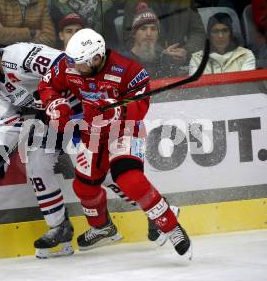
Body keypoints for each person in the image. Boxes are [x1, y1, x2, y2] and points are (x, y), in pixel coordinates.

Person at [38, 28, 191, 256]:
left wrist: (117, 109)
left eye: (79, 63)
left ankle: (170, 226)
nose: (73, 68)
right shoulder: (69, 65)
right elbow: (47, 85)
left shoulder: (129, 70)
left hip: (125, 129)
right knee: (83, 187)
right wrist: (55, 104)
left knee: (130, 180)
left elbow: (141, 105)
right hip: (93, 133)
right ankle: (102, 228)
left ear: (96, 58)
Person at [123, 0, 205, 62]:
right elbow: (129, 37)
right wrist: (161, 53)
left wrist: (187, 50)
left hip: (179, 59)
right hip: (148, 61)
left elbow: (198, 32)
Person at [124, 3, 185, 78]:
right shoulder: (123, 62)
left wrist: (173, 60)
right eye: (143, 29)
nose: (149, 34)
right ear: (133, 34)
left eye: (153, 29)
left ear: (158, 35)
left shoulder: (164, 59)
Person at [189, 13, 256, 74]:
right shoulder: (197, 59)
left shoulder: (245, 55)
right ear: (209, 35)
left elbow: (244, 86)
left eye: (225, 30)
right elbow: (197, 86)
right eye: (215, 31)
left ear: (231, 33)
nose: (220, 36)